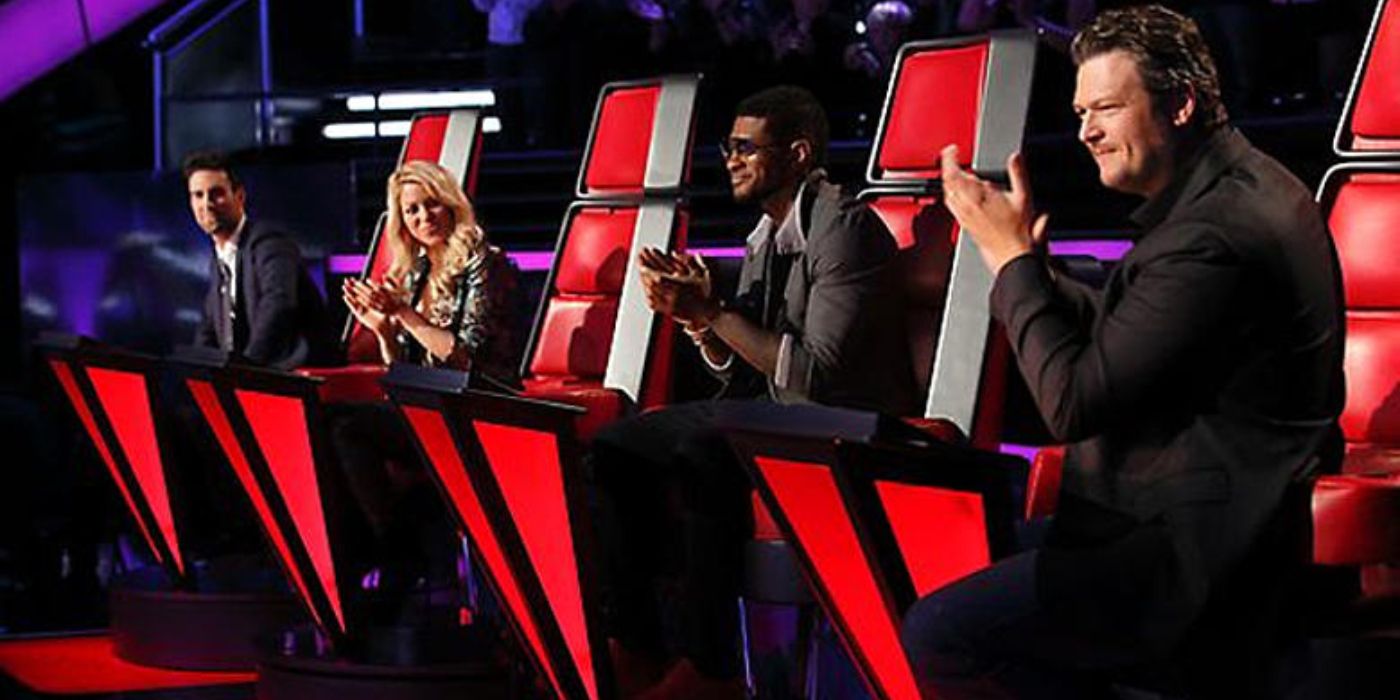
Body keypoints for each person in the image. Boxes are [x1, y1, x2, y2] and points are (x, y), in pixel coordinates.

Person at [900, 5, 1345, 698]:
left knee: (939, 633)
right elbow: (1138, 326)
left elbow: (1073, 402)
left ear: (1182, 103)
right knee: (967, 563)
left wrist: (1009, 258)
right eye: (1080, 112)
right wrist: (1033, 270)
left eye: (1106, 107)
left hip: (1200, 552)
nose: (1086, 132)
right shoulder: (1238, 191)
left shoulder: (1212, 237)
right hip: (1188, 512)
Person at [593, 86, 918, 699]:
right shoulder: (764, 236)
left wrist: (710, 311)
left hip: (843, 423)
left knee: (707, 452)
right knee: (617, 446)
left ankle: (711, 668)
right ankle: (636, 641)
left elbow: (813, 375)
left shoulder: (843, 230)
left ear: (797, 153)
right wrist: (695, 319)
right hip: (778, 412)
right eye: (728, 146)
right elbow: (741, 372)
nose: (731, 159)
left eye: (746, 147)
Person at [334, 161, 521, 601]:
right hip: (434, 405)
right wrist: (383, 330)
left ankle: (400, 555)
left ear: (451, 204)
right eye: (413, 212)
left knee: (350, 430)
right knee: (333, 421)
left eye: (431, 205)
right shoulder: (417, 272)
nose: (424, 218)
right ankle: (391, 553)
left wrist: (404, 314)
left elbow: (465, 356)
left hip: (483, 406)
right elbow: (406, 366)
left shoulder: (485, 263)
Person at [186, 151, 334, 369]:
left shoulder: (269, 242)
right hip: (253, 377)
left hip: (295, 376)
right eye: (198, 195)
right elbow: (208, 329)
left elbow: (278, 305)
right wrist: (197, 372)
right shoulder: (219, 259)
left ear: (239, 196)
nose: (206, 204)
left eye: (216, 193)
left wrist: (245, 370)